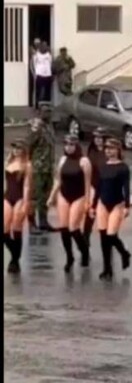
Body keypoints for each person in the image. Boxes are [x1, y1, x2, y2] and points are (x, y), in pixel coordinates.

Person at [47, 134, 91, 272]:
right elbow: (58, 180)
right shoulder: (63, 160)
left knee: (73, 227)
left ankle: (84, 251)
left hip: (78, 196)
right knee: (64, 227)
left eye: (71, 145)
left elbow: (87, 184)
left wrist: (87, 202)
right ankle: (69, 257)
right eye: (66, 144)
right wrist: (52, 196)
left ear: (76, 145)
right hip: (64, 194)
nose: (68, 147)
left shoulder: (84, 161)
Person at [91, 138, 131, 281]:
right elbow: (98, 187)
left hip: (117, 203)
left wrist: (127, 206)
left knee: (111, 235)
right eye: (107, 148)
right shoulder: (102, 166)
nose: (108, 151)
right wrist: (93, 205)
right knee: (103, 236)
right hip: (103, 202)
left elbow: (126, 187)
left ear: (118, 150)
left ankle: (124, 253)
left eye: (112, 148)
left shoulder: (123, 167)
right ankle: (107, 268)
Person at [4, 139, 33, 274]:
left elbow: (27, 186)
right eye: (14, 148)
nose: (16, 150)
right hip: (7, 196)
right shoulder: (8, 162)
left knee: (16, 229)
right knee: (4, 230)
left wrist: (26, 203)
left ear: (23, 150)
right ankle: (15, 254)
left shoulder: (27, 165)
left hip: (19, 198)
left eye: (19, 148)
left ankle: (15, 261)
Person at [28, 104, 56, 231]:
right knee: (35, 196)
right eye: (45, 111)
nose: (48, 114)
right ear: (40, 113)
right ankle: (31, 223)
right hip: (38, 168)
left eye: (50, 111)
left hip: (48, 167)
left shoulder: (49, 127)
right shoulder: (36, 127)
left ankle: (43, 222)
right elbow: (29, 145)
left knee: (45, 196)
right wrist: (30, 163)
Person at [85, 127, 107, 248]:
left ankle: (108, 237)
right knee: (90, 212)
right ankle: (86, 236)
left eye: (100, 138)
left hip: (106, 186)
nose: (98, 140)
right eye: (96, 138)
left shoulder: (108, 151)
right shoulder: (91, 151)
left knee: (106, 212)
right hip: (94, 185)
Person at [33, 41, 53, 108]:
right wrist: (35, 73)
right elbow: (34, 64)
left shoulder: (49, 55)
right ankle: (37, 104)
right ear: (41, 46)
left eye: (46, 45)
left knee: (48, 90)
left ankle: (47, 104)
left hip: (48, 75)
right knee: (38, 90)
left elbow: (50, 64)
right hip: (39, 75)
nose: (45, 47)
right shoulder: (36, 55)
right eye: (43, 45)